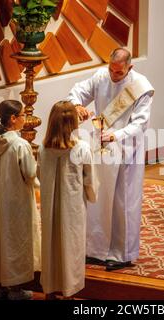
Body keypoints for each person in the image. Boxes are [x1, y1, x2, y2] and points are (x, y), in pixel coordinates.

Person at [67, 47, 155, 271]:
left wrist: (117, 135)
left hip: (126, 147)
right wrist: (77, 105)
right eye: (111, 69)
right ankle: (96, 250)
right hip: (101, 144)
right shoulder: (101, 76)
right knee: (97, 196)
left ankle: (121, 253)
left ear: (130, 67)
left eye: (119, 72)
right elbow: (77, 92)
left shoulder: (141, 87)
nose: (113, 75)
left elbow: (140, 123)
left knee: (123, 200)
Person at [39, 101, 97, 300]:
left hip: (49, 206)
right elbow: (89, 179)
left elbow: (40, 174)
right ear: (74, 123)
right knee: (71, 245)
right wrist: (91, 195)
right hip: (72, 207)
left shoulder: (43, 149)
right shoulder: (81, 148)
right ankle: (69, 291)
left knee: (50, 244)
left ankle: (50, 289)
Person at [0, 100, 41, 300]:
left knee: (0, 239)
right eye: (23, 115)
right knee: (17, 241)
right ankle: (17, 289)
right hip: (17, 202)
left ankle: (0, 287)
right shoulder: (20, 144)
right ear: (13, 119)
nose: (25, 118)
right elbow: (30, 173)